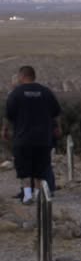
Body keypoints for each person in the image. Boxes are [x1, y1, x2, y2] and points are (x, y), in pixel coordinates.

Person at [3, 66, 62, 204]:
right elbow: (57, 113)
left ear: (22, 76)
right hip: (43, 139)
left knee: (24, 168)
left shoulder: (16, 93)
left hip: (22, 138)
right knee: (39, 169)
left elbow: (8, 115)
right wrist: (58, 128)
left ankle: (27, 195)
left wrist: (4, 130)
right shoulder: (46, 92)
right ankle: (37, 195)